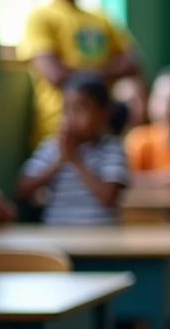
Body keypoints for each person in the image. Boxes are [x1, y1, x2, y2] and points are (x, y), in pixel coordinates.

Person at [18, 0, 140, 146]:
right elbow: (55, 75)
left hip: (103, 130)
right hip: (58, 130)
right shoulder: (41, 18)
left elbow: (134, 64)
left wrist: (75, 70)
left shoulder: (102, 19)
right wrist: (107, 70)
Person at [17, 73, 128, 225]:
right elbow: (22, 191)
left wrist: (75, 160)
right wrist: (59, 161)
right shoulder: (51, 148)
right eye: (66, 109)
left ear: (104, 114)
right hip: (57, 233)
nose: (71, 117)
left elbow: (107, 198)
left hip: (101, 238)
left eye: (80, 109)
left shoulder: (111, 149)